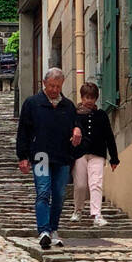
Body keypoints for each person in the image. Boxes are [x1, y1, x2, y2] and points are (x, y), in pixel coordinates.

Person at [15, 67, 82, 250]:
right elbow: (23, 132)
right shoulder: (32, 103)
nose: (54, 90)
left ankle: (53, 230)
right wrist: (23, 156)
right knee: (43, 191)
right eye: (51, 85)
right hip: (41, 156)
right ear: (44, 84)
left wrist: (77, 130)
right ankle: (43, 230)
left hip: (62, 157)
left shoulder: (68, 106)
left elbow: (76, 124)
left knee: (59, 195)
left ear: (62, 86)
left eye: (57, 86)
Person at [70, 81, 119, 229]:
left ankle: (96, 214)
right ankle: (78, 210)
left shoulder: (101, 115)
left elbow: (109, 136)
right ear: (82, 98)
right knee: (80, 185)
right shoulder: (75, 115)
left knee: (96, 183)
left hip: (98, 153)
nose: (89, 101)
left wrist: (114, 157)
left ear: (96, 98)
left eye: (92, 98)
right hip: (80, 154)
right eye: (86, 97)